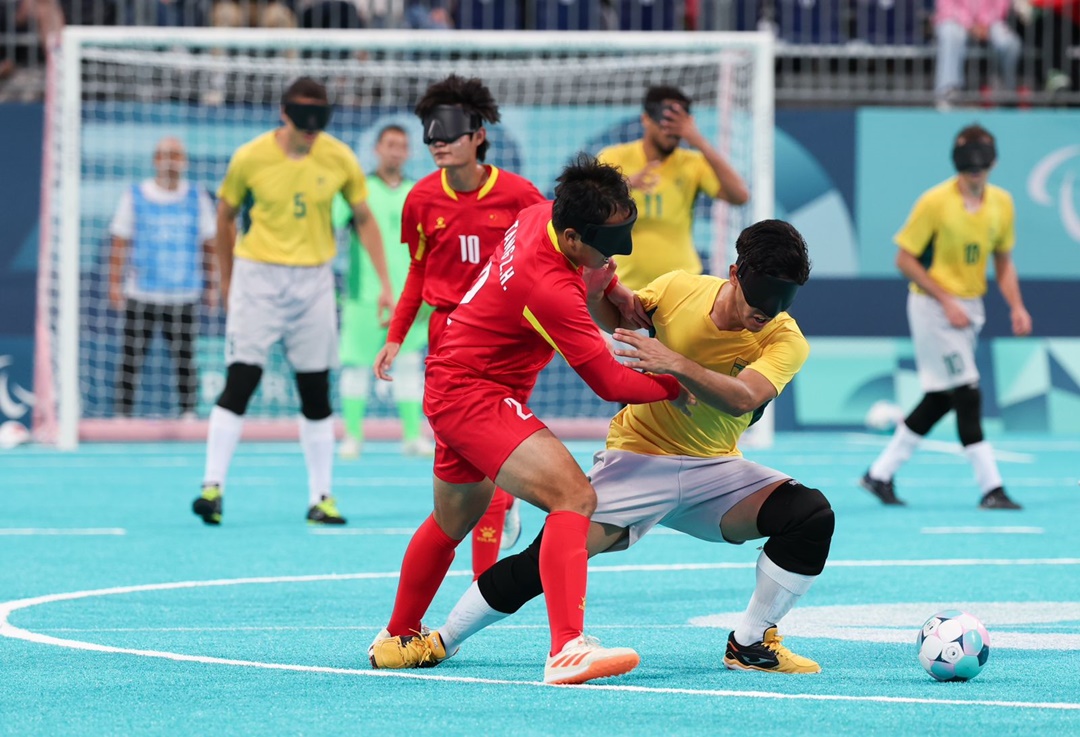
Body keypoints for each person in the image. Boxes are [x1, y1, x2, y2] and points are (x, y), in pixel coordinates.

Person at [412, 220, 830, 676]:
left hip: (716, 471)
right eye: (761, 296)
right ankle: (442, 639)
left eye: (782, 300)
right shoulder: (678, 289)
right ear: (735, 273)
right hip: (637, 458)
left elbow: (743, 398)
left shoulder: (785, 338)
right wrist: (602, 288)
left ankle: (750, 643)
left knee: (810, 515)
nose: (766, 311)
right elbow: (619, 315)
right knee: (543, 559)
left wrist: (673, 362)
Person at [368, 154, 690, 685]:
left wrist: (612, 288)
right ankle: (567, 649)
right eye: (608, 244)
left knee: (453, 521)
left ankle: (397, 635)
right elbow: (610, 383)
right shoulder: (551, 288)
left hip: (453, 377)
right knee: (575, 498)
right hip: (475, 394)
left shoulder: (539, 212)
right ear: (569, 236)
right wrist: (681, 382)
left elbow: (591, 273)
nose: (619, 251)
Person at [193, 77, 393, 526]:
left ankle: (321, 497)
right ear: (284, 113)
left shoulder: (339, 156)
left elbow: (364, 219)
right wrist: (228, 283)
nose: (311, 127)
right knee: (241, 378)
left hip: (314, 280)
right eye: (303, 116)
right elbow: (224, 217)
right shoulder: (251, 156)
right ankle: (212, 488)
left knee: (315, 389)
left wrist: (385, 283)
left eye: (320, 117)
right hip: (258, 275)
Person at [374, 74, 547, 575]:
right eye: (430, 131)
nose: (437, 141)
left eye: (448, 129)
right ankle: (494, 526)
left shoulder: (520, 197)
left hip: (508, 342)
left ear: (479, 136)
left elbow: (553, 257)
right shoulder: (422, 200)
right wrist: (394, 338)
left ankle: (482, 577)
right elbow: (418, 272)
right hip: (447, 339)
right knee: (458, 451)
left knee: (492, 450)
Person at [861, 124, 1031, 510]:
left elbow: (1003, 262)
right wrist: (946, 299)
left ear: (993, 163)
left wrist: (1016, 306)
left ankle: (879, 474)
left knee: (941, 396)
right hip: (934, 307)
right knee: (968, 392)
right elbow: (903, 258)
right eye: (969, 164)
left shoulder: (1002, 204)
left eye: (982, 165)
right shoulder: (935, 202)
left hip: (971, 308)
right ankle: (992, 487)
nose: (975, 172)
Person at [336, 124, 433, 460]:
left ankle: (412, 436)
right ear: (376, 149)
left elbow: (431, 246)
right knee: (355, 366)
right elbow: (334, 224)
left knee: (408, 364)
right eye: (390, 144)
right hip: (364, 296)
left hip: (410, 297)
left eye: (402, 146)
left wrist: (426, 294)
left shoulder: (418, 193)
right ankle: (352, 436)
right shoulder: (358, 190)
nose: (396, 151)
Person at [598, 84, 749, 291]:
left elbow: (740, 196)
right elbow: (592, 201)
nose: (672, 131)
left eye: (679, 124)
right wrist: (625, 183)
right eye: (666, 121)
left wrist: (699, 142)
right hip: (623, 285)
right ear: (646, 120)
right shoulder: (615, 157)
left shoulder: (692, 162)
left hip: (682, 286)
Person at [108, 137, 216, 419]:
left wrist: (212, 285)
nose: (170, 160)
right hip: (142, 292)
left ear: (184, 162)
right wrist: (114, 284)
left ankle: (189, 413)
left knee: (185, 358)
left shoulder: (197, 196)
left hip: (183, 294)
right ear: (155, 160)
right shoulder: (134, 195)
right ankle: (123, 415)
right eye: (165, 154)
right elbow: (120, 241)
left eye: (176, 154)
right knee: (131, 357)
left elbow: (209, 243)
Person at [933, 0, 1021, 108]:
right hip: (955, 19)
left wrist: (985, 23)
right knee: (950, 33)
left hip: (990, 23)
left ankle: (1007, 93)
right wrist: (970, 25)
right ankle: (947, 93)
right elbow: (946, 6)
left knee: (1010, 44)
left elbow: (1001, 5)